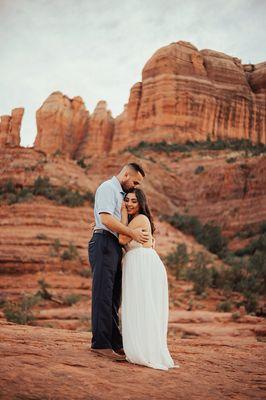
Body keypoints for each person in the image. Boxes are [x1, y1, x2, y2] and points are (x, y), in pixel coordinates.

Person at [88, 163, 149, 361]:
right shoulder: (108, 188)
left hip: (112, 244)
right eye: (135, 181)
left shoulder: (118, 192)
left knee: (113, 297)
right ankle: (101, 344)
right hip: (105, 242)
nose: (135, 185)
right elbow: (105, 219)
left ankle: (115, 342)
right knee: (103, 294)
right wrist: (132, 233)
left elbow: (113, 219)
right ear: (126, 174)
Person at [119, 188, 179, 370]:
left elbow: (121, 238)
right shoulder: (133, 221)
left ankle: (146, 351)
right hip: (138, 263)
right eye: (127, 200)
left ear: (141, 204)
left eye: (134, 201)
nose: (129, 204)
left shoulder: (140, 219)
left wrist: (121, 213)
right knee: (139, 307)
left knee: (143, 306)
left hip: (143, 264)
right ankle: (143, 348)